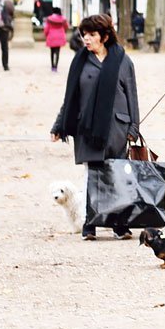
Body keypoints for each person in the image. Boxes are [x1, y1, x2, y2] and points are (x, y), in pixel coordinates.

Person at [50, 13, 142, 240]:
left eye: (92, 35)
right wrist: (59, 124)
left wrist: (133, 127)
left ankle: (119, 224)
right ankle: (89, 223)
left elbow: (132, 95)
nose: (86, 39)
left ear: (105, 36)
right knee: (92, 176)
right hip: (88, 128)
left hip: (117, 128)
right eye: (84, 35)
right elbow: (70, 97)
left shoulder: (123, 60)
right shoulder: (80, 61)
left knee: (115, 176)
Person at [43, 6, 68, 72]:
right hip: (60, 36)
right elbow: (66, 27)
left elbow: (46, 29)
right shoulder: (63, 19)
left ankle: (52, 66)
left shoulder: (49, 19)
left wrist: (46, 35)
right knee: (57, 52)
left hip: (51, 36)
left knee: (52, 52)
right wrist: (63, 32)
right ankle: (56, 66)